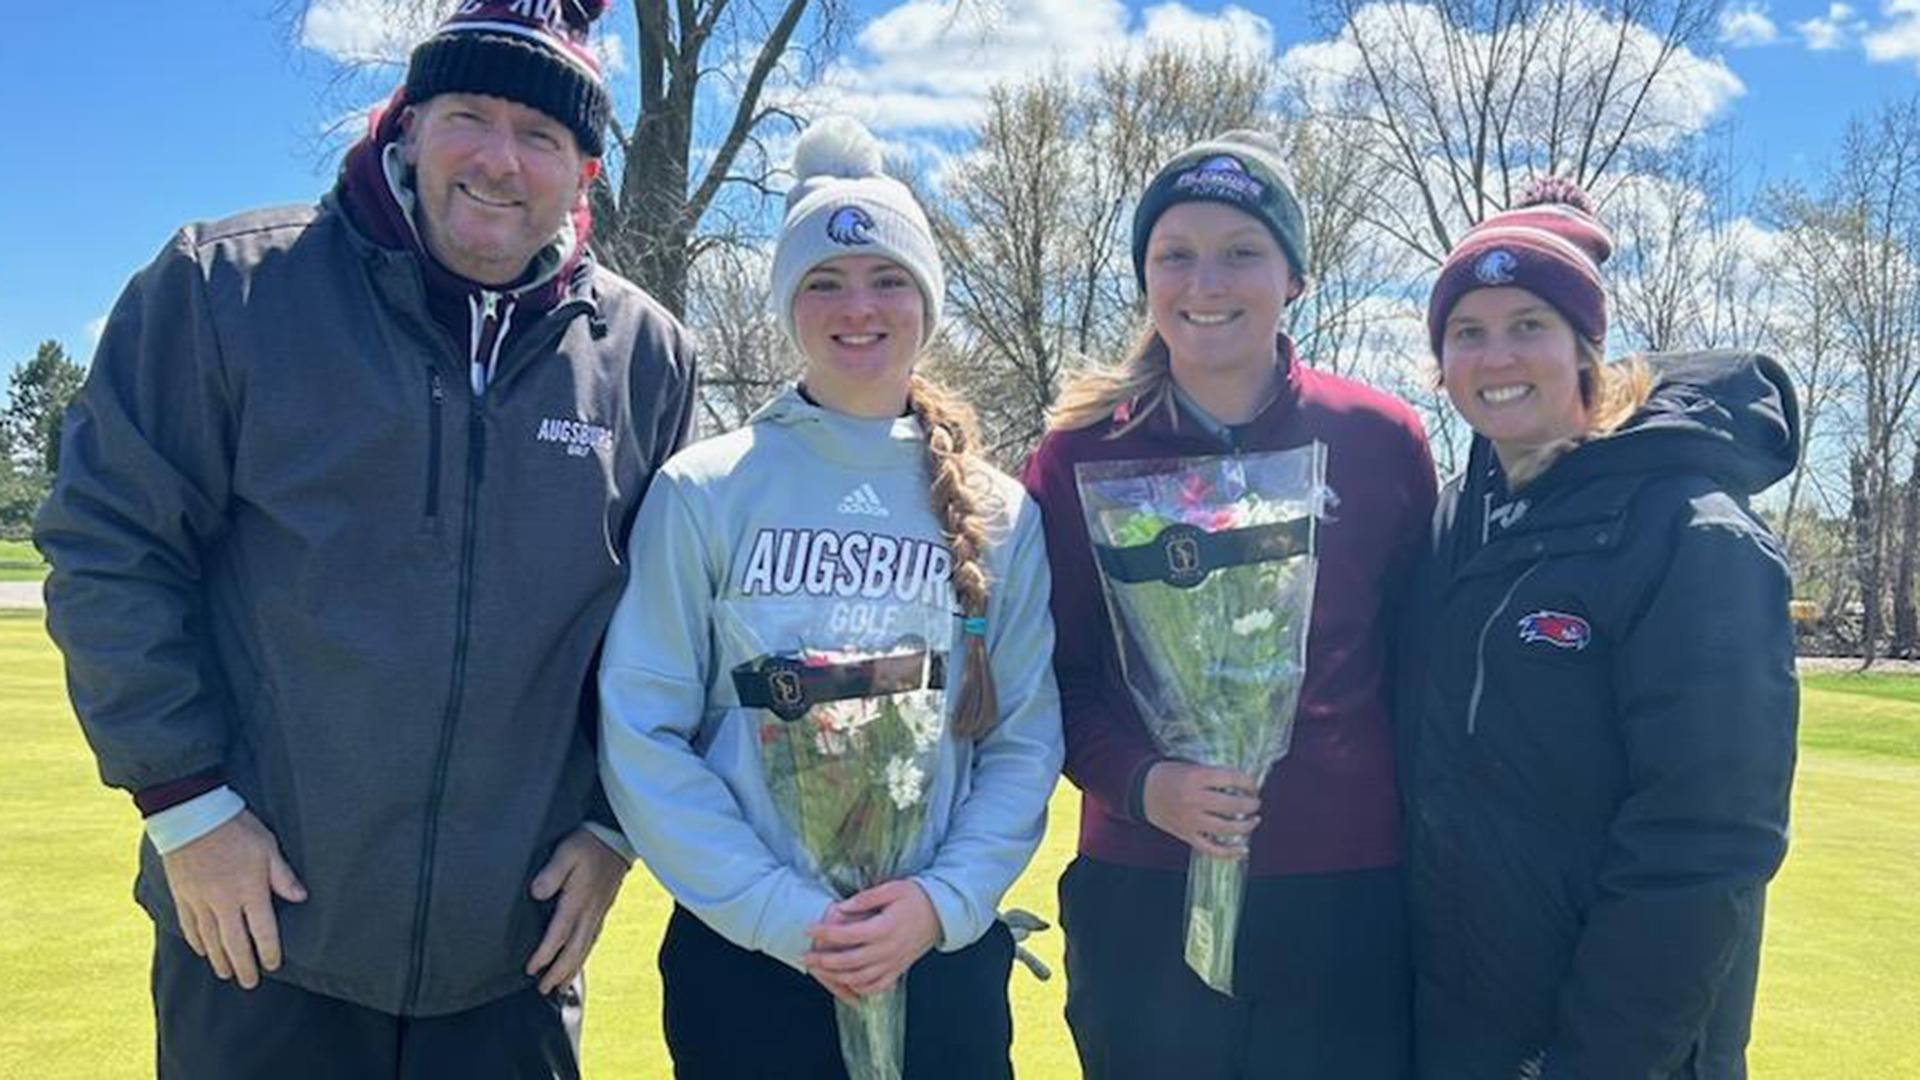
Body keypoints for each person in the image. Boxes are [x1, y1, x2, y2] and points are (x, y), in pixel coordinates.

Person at [34, 2, 696, 1076]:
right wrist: (185, 806)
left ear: (582, 170)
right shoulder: (227, 287)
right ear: (407, 124)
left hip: (509, 960)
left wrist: (615, 825)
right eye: (469, 116)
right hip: (258, 941)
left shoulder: (647, 358)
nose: (499, 158)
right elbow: (110, 544)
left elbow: (666, 623)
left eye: (541, 135)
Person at [596, 116, 1063, 1080]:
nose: (860, 306)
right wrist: (783, 913)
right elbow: (642, 730)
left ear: (927, 299)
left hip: (938, 963)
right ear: (787, 303)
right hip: (749, 967)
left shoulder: (998, 510)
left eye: (889, 277)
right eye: (824, 281)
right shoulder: (704, 489)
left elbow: (1021, 739)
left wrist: (943, 900)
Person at [1022, 131, 1436, 1079]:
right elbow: (1054, 679)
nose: (1206, 282)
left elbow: (1421, 672)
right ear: (1146, 279)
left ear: (1293, 275)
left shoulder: (1380, 436)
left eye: (1242, 252)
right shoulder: (1078, 454)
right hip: (1142, 883)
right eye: (1176, 255)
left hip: (1346, 892)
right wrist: (1143, 785)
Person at [1399, 177, 1799, 1079]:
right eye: (1468, 331)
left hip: (1614, 1051)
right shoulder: (1453, 520)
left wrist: (1598, 1061)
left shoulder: (1692, 534)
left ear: (1588, 348)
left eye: (1529, 324)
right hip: (1458, 1033)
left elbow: (1704, 842)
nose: (1497, 355)